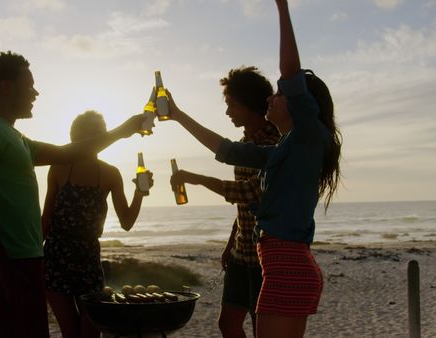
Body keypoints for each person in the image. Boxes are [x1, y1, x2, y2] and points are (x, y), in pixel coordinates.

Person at [163, 0, 342, 335]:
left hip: (286, 264)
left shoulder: (307, 137)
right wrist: (177, 115)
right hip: (281, 263)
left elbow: (291, 74)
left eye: (279, 95)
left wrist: (282, 8)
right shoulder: (282, 151)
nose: (272, 99)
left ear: (301, 106)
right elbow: (227, 150)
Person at [0, 51, 143, 338]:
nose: (35, 92)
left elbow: (68, 151)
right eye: (29, 85)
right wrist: (3, 268)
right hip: (9, 260)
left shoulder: (17, 138)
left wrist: (123, 131)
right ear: (7, 87)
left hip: (27, 259)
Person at [169, 66, 280, 338]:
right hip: (242, 254)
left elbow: (250, 194)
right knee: (227, 324)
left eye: (231, 105)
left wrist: (197, 178)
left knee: (260, 328)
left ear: (247, 104)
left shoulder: (274, 143)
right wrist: (232, 242)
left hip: (264, 257)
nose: (228, 112)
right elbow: (245, 207)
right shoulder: (245, 141)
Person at [42, 110, 153, 338]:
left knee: (91, 332)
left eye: (99, 133)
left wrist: (140, 192)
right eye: (90, 133)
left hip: (88, 261)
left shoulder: (111, 173)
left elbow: (127, 222)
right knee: (70, 333)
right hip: (55, 259)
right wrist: (32, 260)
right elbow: (46, 219)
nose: (95, 138)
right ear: (76, 136)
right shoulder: (59, 168)